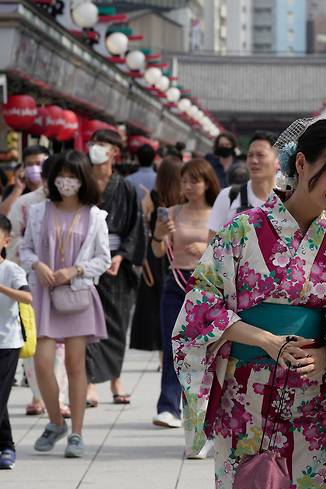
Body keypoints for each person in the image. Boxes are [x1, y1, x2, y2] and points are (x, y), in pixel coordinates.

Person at [172, 115, 326, 487]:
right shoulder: (243, 229)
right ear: (301, 163)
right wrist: (266, 340)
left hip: (315, 393)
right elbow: (201, 308)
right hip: (246, 394)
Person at [20, 150, 111, 458]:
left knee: (74, 365)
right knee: (42, 363)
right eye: (61, 175)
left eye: (72, 176)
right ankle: (56, 422)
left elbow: (103, 259)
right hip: (44, 294)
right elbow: (25, 248)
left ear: (82, 178)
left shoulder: (94, 215)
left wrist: (75, 270)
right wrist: (37, 265)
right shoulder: (38, 212)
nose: (66, 182)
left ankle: (76, 433)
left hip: (77, 296)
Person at [150, 159, 218, 428]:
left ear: (207, 182)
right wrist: (158, 235)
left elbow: (225, 251)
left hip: (204, 284)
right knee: (172, 345)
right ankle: (167, 406)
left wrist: (205, 247)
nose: (188, 186)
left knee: (203, 349)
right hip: (175, 283)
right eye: (185, 181)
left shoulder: (217, 213)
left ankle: (199, 408)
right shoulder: (171, 212)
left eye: (195, 181)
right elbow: (156, 251)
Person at [85, 129, 146, 407]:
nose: (95, 149)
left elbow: (136, 227)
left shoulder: (126, 188)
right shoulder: (81, 182)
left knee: (117, 321)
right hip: (83, 260)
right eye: (93, 143)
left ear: (114, 152)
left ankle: (115, 379)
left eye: (102, 145)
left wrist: (122, 255)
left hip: (115, 263)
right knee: (86, 322)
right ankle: (87, 382)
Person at [6, 157, 69, 418]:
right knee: (34, 341)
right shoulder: (26, 204)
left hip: (65, 282)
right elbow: (11, 239)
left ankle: (60, 398)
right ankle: (38, 394)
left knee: (62, 345)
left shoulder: (74, 205)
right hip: (32, 281)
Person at [130, 156, 184, 353]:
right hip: (179, 253)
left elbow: (143, 226)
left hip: (156, 253)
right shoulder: (185, 200)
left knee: (158, 304)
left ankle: (162, 350)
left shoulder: (152, 197)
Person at [0, 214, 32, 469]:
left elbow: (27, 297)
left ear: (6, 240)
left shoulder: (11, 269)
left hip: (7, 343)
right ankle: (7, 448)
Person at [207, 131, 279, 240]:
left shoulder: (289, 198)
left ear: (277, 161)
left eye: (261, 155)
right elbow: (211, 243)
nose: (254, 161)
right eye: (250, 155)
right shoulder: (228, 196)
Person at [0, 145, 49, 216]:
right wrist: (18, 189)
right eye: (29, 164)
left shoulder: (53, 190)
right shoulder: (13, 190)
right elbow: (2, 217)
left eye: (39, 163)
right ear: (23, 167)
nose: (34, 168)